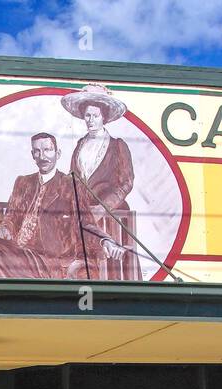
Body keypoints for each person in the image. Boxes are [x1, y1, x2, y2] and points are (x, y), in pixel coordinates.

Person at [0, 132, 81, 278]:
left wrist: (100, 244)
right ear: (32, 155)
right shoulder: (23, 182)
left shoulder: (69, 184)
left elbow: (85, 225)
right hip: (14, 250)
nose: (42, 156)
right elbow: (11, 218)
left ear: (58, 153)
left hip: (44, 260)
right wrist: (4, 230)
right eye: (37, 151)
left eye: (47, 150)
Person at [61, 83, 135, 273]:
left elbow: (126, 182)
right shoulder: (79, 144)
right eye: (87, 115)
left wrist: (104, 207)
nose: (90, 120)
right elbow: (73, 179)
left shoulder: (118, 146)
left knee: (114, 268)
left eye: (95, 115)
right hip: (84, 213)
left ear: (103, 117)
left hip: (113, 212)